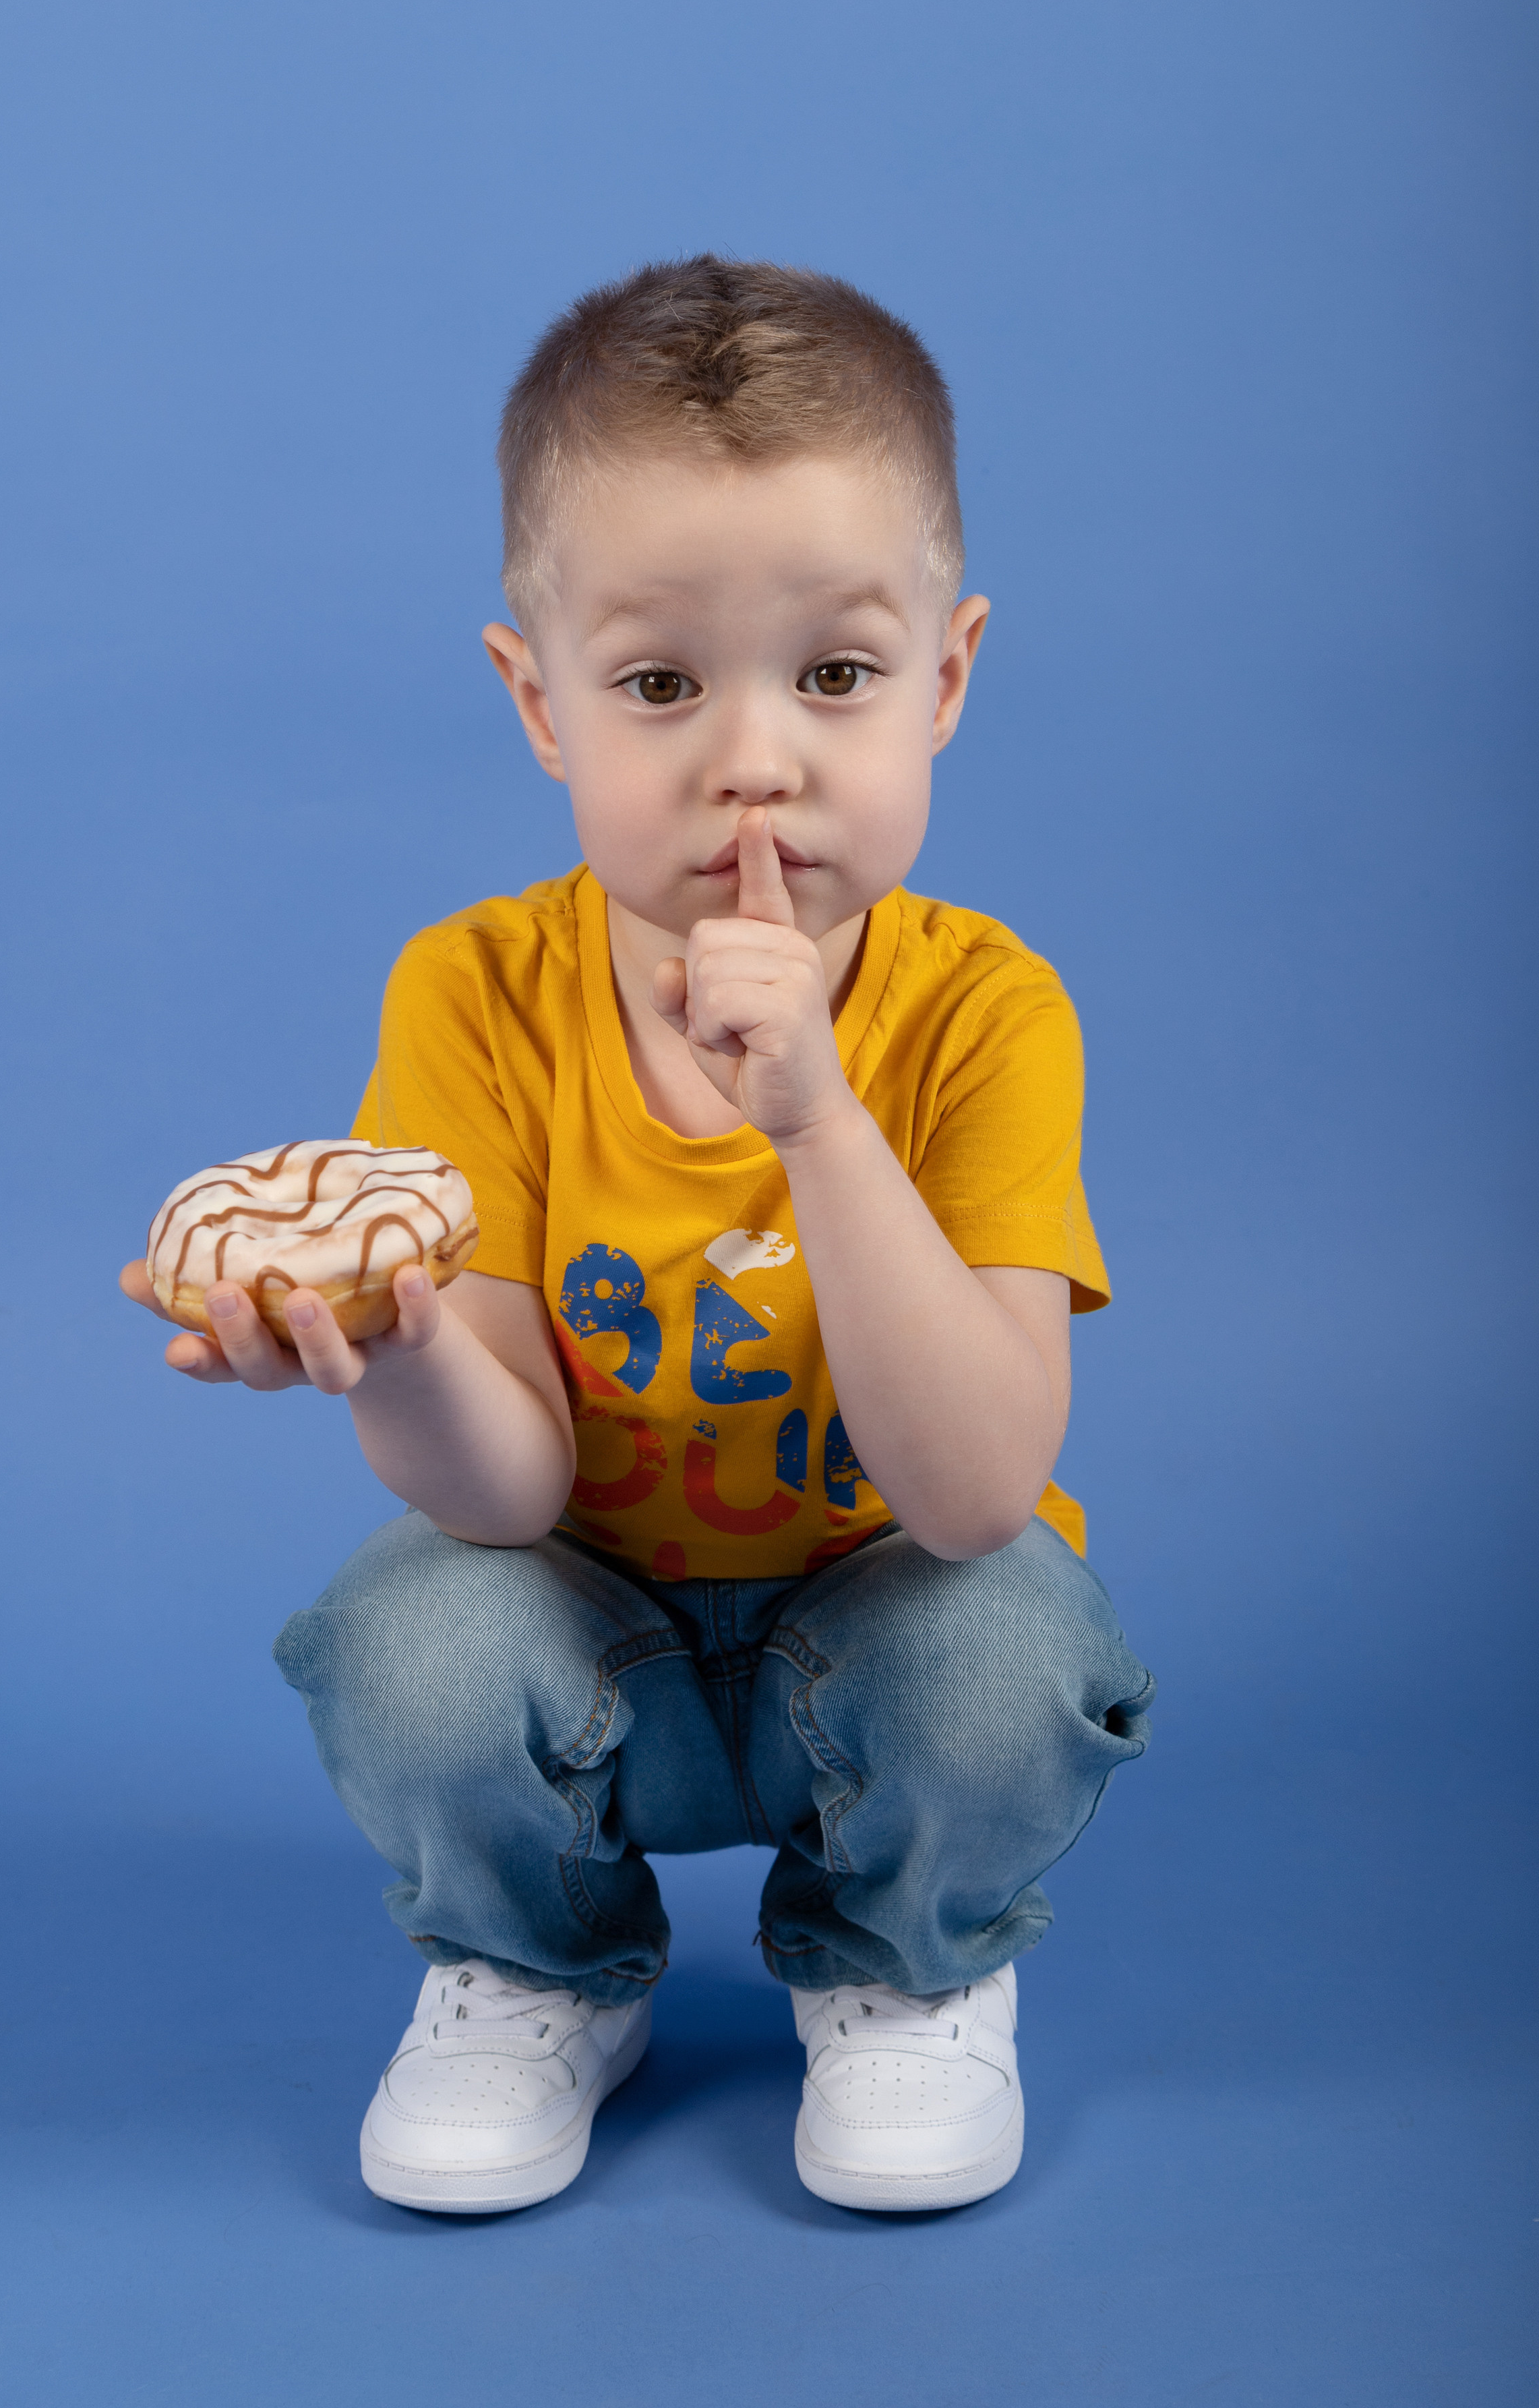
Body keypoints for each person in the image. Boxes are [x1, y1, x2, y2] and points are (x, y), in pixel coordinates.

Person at [122, 257, 1153, 2217]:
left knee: (1013, 1644)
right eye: (662, 684)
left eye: (836, 676)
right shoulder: (476, 996)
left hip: (886, 1632)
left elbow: (976, 1493)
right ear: (541, 700)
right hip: (602, 1656)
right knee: (406, 1631)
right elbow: (502, 1494)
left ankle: (904, 1961)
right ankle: (540, 1967)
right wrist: (400, 1347)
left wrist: (818, 1120)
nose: (753, 759)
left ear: (946, 679)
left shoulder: (987, 1013)